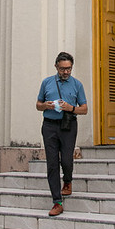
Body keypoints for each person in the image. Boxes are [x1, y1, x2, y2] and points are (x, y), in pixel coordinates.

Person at [36, 51, 88, 216]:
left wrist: (70, 108)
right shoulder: (47, 83)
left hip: (68, 126)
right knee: (52, 164)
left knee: (66, 160)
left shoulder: (77, 84)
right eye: (62, 69)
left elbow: (84, 109)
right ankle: (57, 202)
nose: (66, 72)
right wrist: (46, 105)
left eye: (69, 69)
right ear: (56, 67)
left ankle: (67, 180)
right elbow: (37, 105)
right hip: (49, 126)